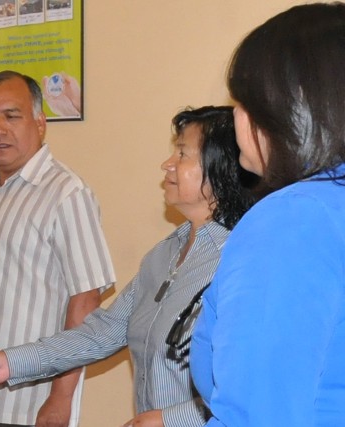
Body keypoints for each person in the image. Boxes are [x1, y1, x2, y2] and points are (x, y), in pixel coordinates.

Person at [0, 106, 258, 427]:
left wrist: (170, 420)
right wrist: (10, 363)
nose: (167, 164)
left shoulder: (244, 260)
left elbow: (253, 385)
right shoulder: (162, 256)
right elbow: (103, 333)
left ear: (220, 167)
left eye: (182, 153)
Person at [188, 3, 345, 426]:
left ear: (292, 111)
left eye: (244, 102)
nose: (235, 115)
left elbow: (257, 416)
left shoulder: (294, 222)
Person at [0, 70, 116, 427]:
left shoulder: (67, 194)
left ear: (40, 123)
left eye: (11, 115)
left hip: (31, 407)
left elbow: (86, 301)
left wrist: (61, 398)